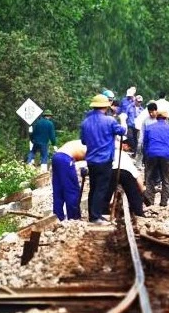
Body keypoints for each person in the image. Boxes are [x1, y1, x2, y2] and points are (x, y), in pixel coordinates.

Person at [80, 94, 126, 225]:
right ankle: (96, 217)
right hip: (104, 160)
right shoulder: (110, 121)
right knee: (101, 188)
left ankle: (92, 214)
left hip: (91, 160)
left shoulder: (85, 122)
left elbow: (83, 141)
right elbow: (122, 132)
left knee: (93, 187)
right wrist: (123, 120)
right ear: (106, 107)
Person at [103, 138, 146, 217]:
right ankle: (138, 212)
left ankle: (103, 212)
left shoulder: (109, 152)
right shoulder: (125, 155)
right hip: (126, 172)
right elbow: (137, 175)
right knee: (133, 193)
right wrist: (142, 190)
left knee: (106, 192)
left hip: (112, 171)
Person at [143, 110, 169, 207]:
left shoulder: (149, 128)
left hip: (151, 154)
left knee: (149, 178)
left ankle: (149, 202)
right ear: (166, 118)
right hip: (166, 155)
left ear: (156, 118)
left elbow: (145, 144)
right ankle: (163, 203)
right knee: (166, 179)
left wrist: (146, 156)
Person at [51, 140, 87, 221]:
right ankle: (74, 218)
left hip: (56, 157)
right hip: (65, 158)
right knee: (72, 189)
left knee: (58, 190)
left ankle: (57, 217)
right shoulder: (93, 147)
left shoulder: (83, 142)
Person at [135, 101, 158, 166]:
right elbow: (142, 131)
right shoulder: (146, 120)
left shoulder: (159, 119)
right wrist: (140, 142)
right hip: (148, 141)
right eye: (149, 112)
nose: (151, 114)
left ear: (156, 110)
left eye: (152, 112)